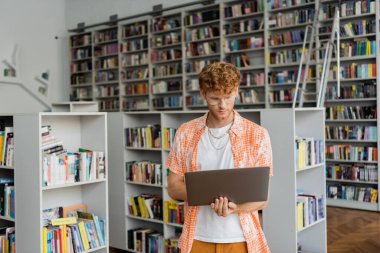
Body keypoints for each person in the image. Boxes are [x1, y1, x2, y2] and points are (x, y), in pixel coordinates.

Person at [166, 62, 273, 253]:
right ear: (203, 94)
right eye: (215, 98)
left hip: (241, 238)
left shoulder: (257, 134)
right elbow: (173, 188)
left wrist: (235, 208)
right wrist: (211, 195)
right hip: (197, 237)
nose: (222, 105)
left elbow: (263, 198)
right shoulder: (186, 133)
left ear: (237, 91)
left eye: (228, 97)